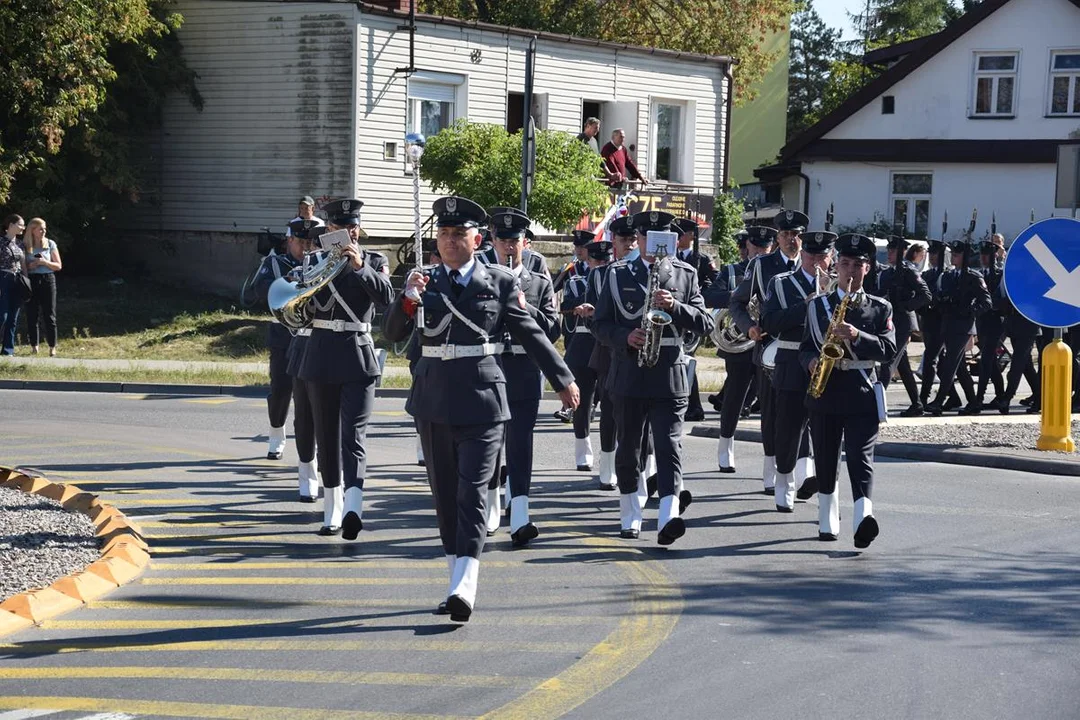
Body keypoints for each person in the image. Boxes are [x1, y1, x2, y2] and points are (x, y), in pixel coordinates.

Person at [382, 196, 579, 623]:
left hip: (484, 401)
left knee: (472, 493)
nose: (450, 241)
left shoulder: (502, 281)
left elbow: (530, 333)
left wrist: (563, 379)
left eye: (458, 234)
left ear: (478, 239)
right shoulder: (424, 282)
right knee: (446, 498)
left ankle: (465, 585)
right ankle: (455, 579)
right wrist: (407, 299)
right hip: (433, 401)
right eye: (444, 234)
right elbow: (392, 334)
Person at [592, 210, 714, 545]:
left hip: (670, 372)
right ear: (640, 239)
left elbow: (706, 323)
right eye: (649, 238)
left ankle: (667, 516)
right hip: (629, 372)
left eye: (664, 238)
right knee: (629, 446)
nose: (655, 245)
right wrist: (623, 337)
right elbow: (600, 324)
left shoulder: (686, 274)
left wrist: (676, 306)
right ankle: (630, 513)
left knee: (668, 444)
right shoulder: (616, 274)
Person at [297, 198, 394, 538]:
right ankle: (331, 510)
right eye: (335, 229)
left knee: (353, 435)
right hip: (321, 353)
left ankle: (353, 505)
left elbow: (386, 299)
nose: (341, 234)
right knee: (326, 434)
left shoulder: (376, 260)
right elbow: (302, 311)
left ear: (356, 229)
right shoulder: (315, 260)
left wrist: (359, 267)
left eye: (347, 229)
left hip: (357, 354)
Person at [800, 233, 896, 548]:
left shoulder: (880, 307)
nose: (850, 270)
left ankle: (862, 518)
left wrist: (857, 336)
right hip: (824, 391)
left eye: (858, 265)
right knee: (826, 457)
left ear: (867, 269)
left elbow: (888, 349)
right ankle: (827, 519)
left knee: (859, 456)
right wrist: (812, 361)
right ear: (836, 267)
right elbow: (803, 349)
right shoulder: (817, 306)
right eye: (845, 264)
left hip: (861, 390)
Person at [479, 210, 562, 546]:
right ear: (492, 240)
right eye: (502, 240)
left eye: (515, 241)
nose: (508, 246)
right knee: (491, 443)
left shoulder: (539, 282)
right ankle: (490, 506)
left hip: (525, 370)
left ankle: (521, 514)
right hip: (491, 368)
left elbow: (554, 329)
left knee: (521, 442)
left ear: (525, 243)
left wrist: (527, 308)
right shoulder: (481, 278)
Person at [730, 210, 808, 495]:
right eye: (786, 235)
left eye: (796, 235)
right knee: (772, 413)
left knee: (808, 411)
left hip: (806, 350)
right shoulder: (763, 265)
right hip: (769, 348)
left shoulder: (814, 263)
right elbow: (737, 302)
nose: (792, 240)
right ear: (777, 238)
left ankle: (802, 471)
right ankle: (771, 468)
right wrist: (749, 327)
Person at [760, 230, 836, 511]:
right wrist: (804, 307)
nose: (817, 261)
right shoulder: (782, 284)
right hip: (792, 362)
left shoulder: (839, 289)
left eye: (822, 256)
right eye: (811, 255)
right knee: (788, 431)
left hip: (828, 366)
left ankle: (826, 489)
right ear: (802, 255)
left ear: (830, 258)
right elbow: (769, 321)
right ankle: (784, 484)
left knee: (825, 432)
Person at [703, 227, 772, 471]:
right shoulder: (732, 271)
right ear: (748, 247)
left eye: (765, 247)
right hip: (739, 344)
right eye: (756, 247)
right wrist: (739, 295)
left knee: (767, 400)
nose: (760, 251)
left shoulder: (776, 271)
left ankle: (771, 458)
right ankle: (725, 446)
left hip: (767, 342)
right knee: (734, 395)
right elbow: (710, 296)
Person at [256, 218, 310, 460]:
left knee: (308, 395)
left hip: (309, 338)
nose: (306, 247)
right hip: (282, 337)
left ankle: (309, 444)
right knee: (280, 390)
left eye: (310, 242)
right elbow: (261, 290)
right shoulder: (275, 263)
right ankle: (276, 432)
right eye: (301, 242)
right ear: (290, 241)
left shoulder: (318, 264)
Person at [563, 239, 615, 478]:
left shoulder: (616, 278)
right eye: (598, 261)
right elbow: (566, 304)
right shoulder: (576, 280)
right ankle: (582, 448)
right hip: (583, 343)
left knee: (610, 400)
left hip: (606, 342)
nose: (602, 264)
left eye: (606, 260)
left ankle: (609, 454)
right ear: (590, 260)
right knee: (582, 400)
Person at [924, 241, 992, 416]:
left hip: (963, 326)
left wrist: (970, 311)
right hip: (947, 324)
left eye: (957, 254)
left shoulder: (973, 277)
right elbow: (938, 297)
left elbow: (986, 302)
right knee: (958, 367)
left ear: (966, 257)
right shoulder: (947, 277)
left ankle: (938, 401)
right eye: (952, 253)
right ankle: (973, 402)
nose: (953, 256)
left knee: (949, 363)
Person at [281, 220, 320, 501]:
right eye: (311, 244)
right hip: (305, 349)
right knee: (305, 417)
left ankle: (335, 473)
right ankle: (307, 469)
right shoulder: (298, 273)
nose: (313, 248)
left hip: (336, 350)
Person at [876, 236, 932, 416]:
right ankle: (917, 405)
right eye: (889, 250)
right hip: (891, 321)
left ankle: (876, 405)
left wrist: (906, 306)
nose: (889, 254)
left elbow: (925, 295)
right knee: (903, 367)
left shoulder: (908, 271)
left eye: (893, 251)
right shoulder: (888, 272)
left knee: (888, 362)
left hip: (903, 322)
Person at [673, 217, 717, 422]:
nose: (679, 237)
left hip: (692, 316)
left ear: (691, 236)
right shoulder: (670, 257)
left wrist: (697, 295)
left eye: (683, 233)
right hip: (675, 316)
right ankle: (690, 405)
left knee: (687, 360)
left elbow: (713, 286)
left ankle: (694, 406)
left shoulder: (703, 259)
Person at [964, 240, 1007, 414]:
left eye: (987, 254)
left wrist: (992, 304)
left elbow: (1005, 298)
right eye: (982, 254)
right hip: (981, 320)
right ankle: (1000, 395)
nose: (983, 257)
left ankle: (979, 398)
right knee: (990, 361)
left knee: (987, 358)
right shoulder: (978, 274)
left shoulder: (1001, 275)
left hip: (996, 321)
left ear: (995, 255)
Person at [22, 218, 62, 357]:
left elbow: (58, 265)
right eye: (40, 229)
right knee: (32, 314)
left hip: (47, 279)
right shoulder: (25, 245)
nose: (43, 231)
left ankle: (52, 346)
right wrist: (29, 266)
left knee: (49, 314)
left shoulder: (50, 244)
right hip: (31, 279)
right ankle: (34, 346)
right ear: (32, 230)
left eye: (44, 228)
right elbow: (20, 266)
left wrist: (45, 262)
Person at [0, 214, 28, 356]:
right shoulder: (0, 242)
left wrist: (26, 282)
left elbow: (23, 264)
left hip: (17, 280)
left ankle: (8, 350)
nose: (23, 227)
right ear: (10, 225)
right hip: (3, 278)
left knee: (13, 317)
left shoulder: (20, 244)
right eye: (20, 224)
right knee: (2, 316)